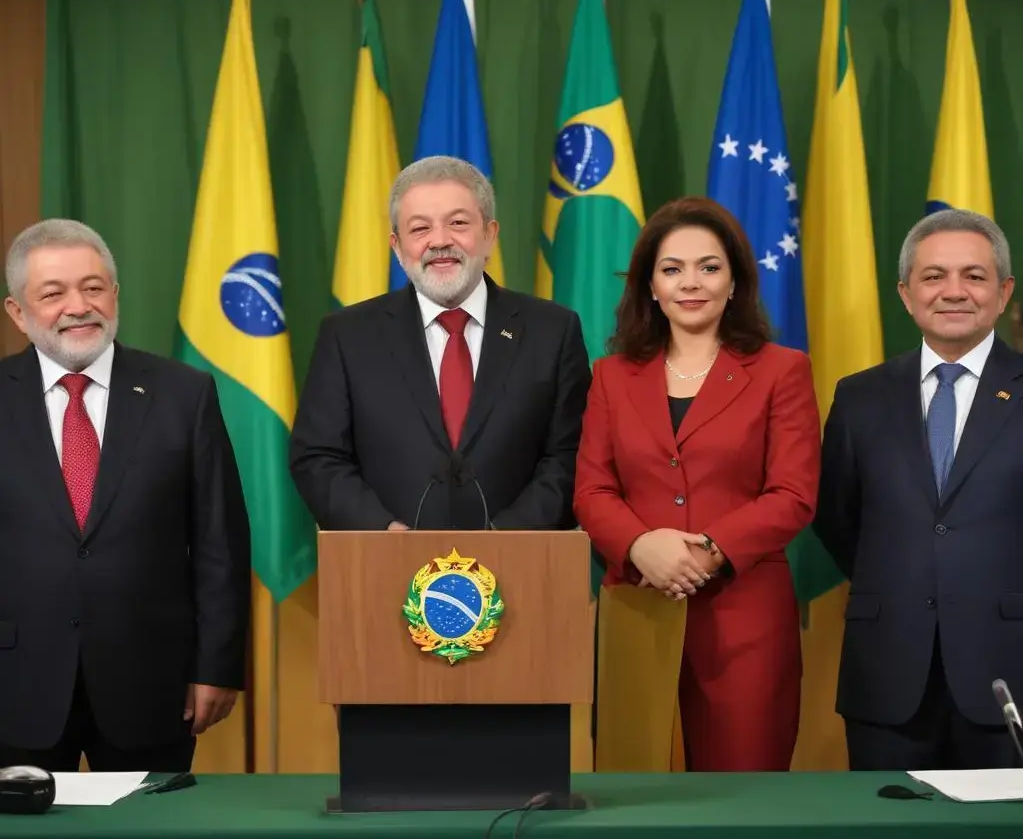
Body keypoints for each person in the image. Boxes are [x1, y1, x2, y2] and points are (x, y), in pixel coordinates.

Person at [574, 197, 821, 772]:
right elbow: (591, 491)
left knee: (743, 804)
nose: (692, 283)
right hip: (636, 604)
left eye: (709, 267)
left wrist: (707, 552)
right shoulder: (610, 376)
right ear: (650, 287)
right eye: (672, 269)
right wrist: (640, 547)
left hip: (746, 619)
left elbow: (793, 494)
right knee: (628, 801)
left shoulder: (783, 370)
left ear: (735, 282)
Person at [0, 219, 251, 772]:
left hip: (153, 682)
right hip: (16, 683)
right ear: (18, 312)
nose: (78, 305)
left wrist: (218, 665)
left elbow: (219, 542)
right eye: (53, 292)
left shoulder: (184, 394)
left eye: (93, 287)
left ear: (114, 295)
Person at [814, 208, 1023, 771]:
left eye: (974, 277)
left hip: (1009, 671)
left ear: (1003, 293)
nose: (953, 292)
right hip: (888, 676)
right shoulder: (859, 398)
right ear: (907, 294)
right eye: (934, 277)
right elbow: (837, 517)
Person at [289, 155, 591, 533]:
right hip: (386, 573)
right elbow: (318, 457)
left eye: (458, 223)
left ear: (490, 235)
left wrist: (506, 539)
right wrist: (385, 533)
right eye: (420, 229)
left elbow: (570, 456)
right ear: (398, 247)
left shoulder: (553, 331)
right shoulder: (347, 336)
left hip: (521, 572)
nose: (440, 241)